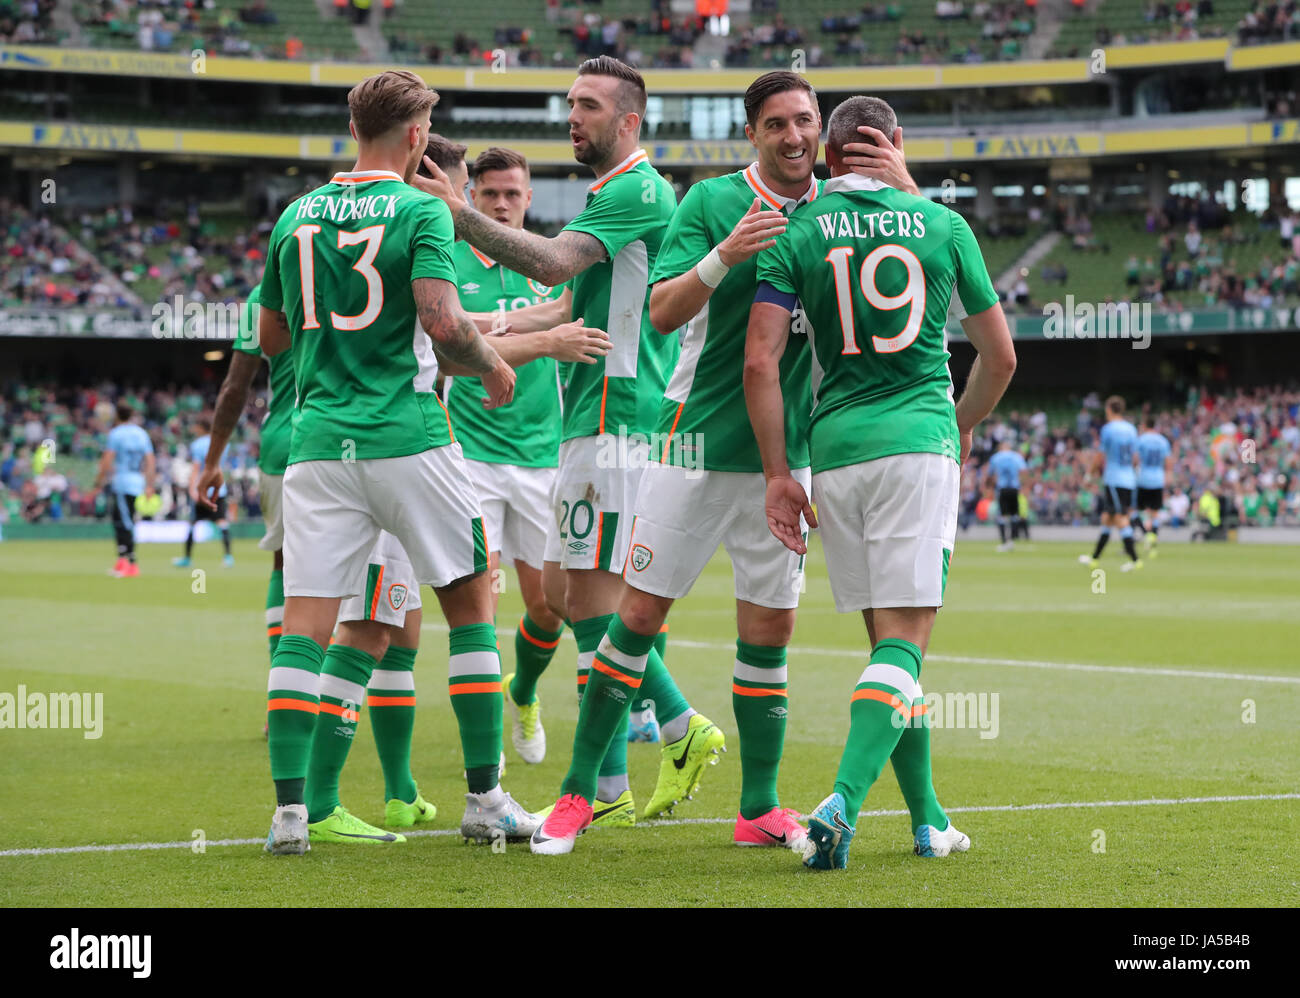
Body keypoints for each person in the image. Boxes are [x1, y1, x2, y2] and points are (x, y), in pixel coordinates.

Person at [416, 56, 713, 833]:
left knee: (592, 599)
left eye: (586, 105)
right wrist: (495, 332)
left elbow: (548, 261)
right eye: (569, 102)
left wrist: (453, 210)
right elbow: (557, 301)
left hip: (615, 419)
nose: (570, 115)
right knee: (561, 591)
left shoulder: (636, 190)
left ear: (629, 121)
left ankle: (673, 734)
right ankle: (632, 760)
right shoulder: (612, 194)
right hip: (591, 420)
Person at [251, 69, 538, 856]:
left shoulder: (296, 216)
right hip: (407, 434)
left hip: (317, 443)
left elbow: (271, 339)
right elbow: (445, 325)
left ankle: (289, 816)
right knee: (470, 604)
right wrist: (492, 364)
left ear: (355, 128)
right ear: (417, 137)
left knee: (305, 628)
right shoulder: (421, 209)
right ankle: (484, 800)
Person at [744, 95, 1017, 870]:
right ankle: (843, 804)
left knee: (887, 648)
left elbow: (761, 361)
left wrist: (776, 473)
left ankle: (929, 820)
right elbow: (1000, 359)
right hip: (914, 440)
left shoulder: (795, 230)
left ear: (827, 156)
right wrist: (957, 428)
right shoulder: (943, 225)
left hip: (834, 451)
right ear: (896, 146)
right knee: (904, 643)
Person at [447, 145, 572, 770]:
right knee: (481, 601)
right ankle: (486, 765)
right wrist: (530, 331)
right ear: (473, 198)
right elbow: (451, 336)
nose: (501, 203)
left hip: (542, 456)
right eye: (490, 193)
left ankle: (522, 691)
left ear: (528, 198)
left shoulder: (548, 266)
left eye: (513, 194)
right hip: (470, 458)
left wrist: (501, 330)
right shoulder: (445, 255)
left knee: (551, 607)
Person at [1079, 395, 1142, 571]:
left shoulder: (1108, 429)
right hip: (1128, 478)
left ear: (1109, 409)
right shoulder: (1131, 429)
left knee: (1121, 518)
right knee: (1107, 518)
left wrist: (1089, 476)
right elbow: (1135, 457)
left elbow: (1100, 456)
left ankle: (1135, 560)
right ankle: (1094, 558)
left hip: (1115, 479)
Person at [94, 402, 155, 578]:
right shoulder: (142, 434)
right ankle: (122, 562)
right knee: (124, 521)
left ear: (117, 416)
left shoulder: (116, 434)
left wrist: (99, 480)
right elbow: (150, 461)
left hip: (122, 482)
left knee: (124, 523)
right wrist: (149, 484)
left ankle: (132, 564)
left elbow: (107, 459)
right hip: (138, 482)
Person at [173, 417, 234, 567]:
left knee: (193, 523)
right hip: (219, 488)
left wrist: (192, 489)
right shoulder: (222, 443)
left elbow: (196, 468)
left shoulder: (197, 445)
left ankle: (187, 558)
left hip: (203, 488)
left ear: (201, 427)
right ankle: (228, 557)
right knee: (222, 522)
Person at [1133, 417, 1172, 557]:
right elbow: (1168, 462)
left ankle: (1145, 533)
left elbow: (1135, 459)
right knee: (1155, 513)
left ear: (1144, 425)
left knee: (1134, 510)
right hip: (1157, 479)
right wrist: (1168, 476)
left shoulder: (1141, 440)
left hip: (1143, 478)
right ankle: (1153, 544)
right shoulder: (1163, 441)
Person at [986, 438, 1028, 551]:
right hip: (1014, 488)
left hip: (1002, 488)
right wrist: (1024, 485)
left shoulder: (996, 457)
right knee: (1014, 514)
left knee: (1002, 515)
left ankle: (1004, 541)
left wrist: (989, 486)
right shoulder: (1016, 456)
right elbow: (1024, 470)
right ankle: (1013, 540)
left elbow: (990, 474)